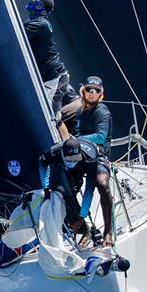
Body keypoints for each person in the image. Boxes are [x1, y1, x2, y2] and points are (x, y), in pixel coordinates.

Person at [62, 76, 114, 246]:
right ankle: (80, 224)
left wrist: (77, 138)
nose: (92, 93)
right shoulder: (79, 112)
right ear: (83, 91)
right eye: (89, 89)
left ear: (101, 94)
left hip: (99, 155)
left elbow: (100, 136)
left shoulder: (102, 111)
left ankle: (108, 232)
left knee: (102, 183)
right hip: (81, 155)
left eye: (96, 90)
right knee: (62, 183)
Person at [23, 0, 77, 115]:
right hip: (53, 75)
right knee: (54, 114)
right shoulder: (40, 22)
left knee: (47, 114)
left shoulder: (40, 24)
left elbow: (17, 34)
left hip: (54, 77)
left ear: (40, 7)